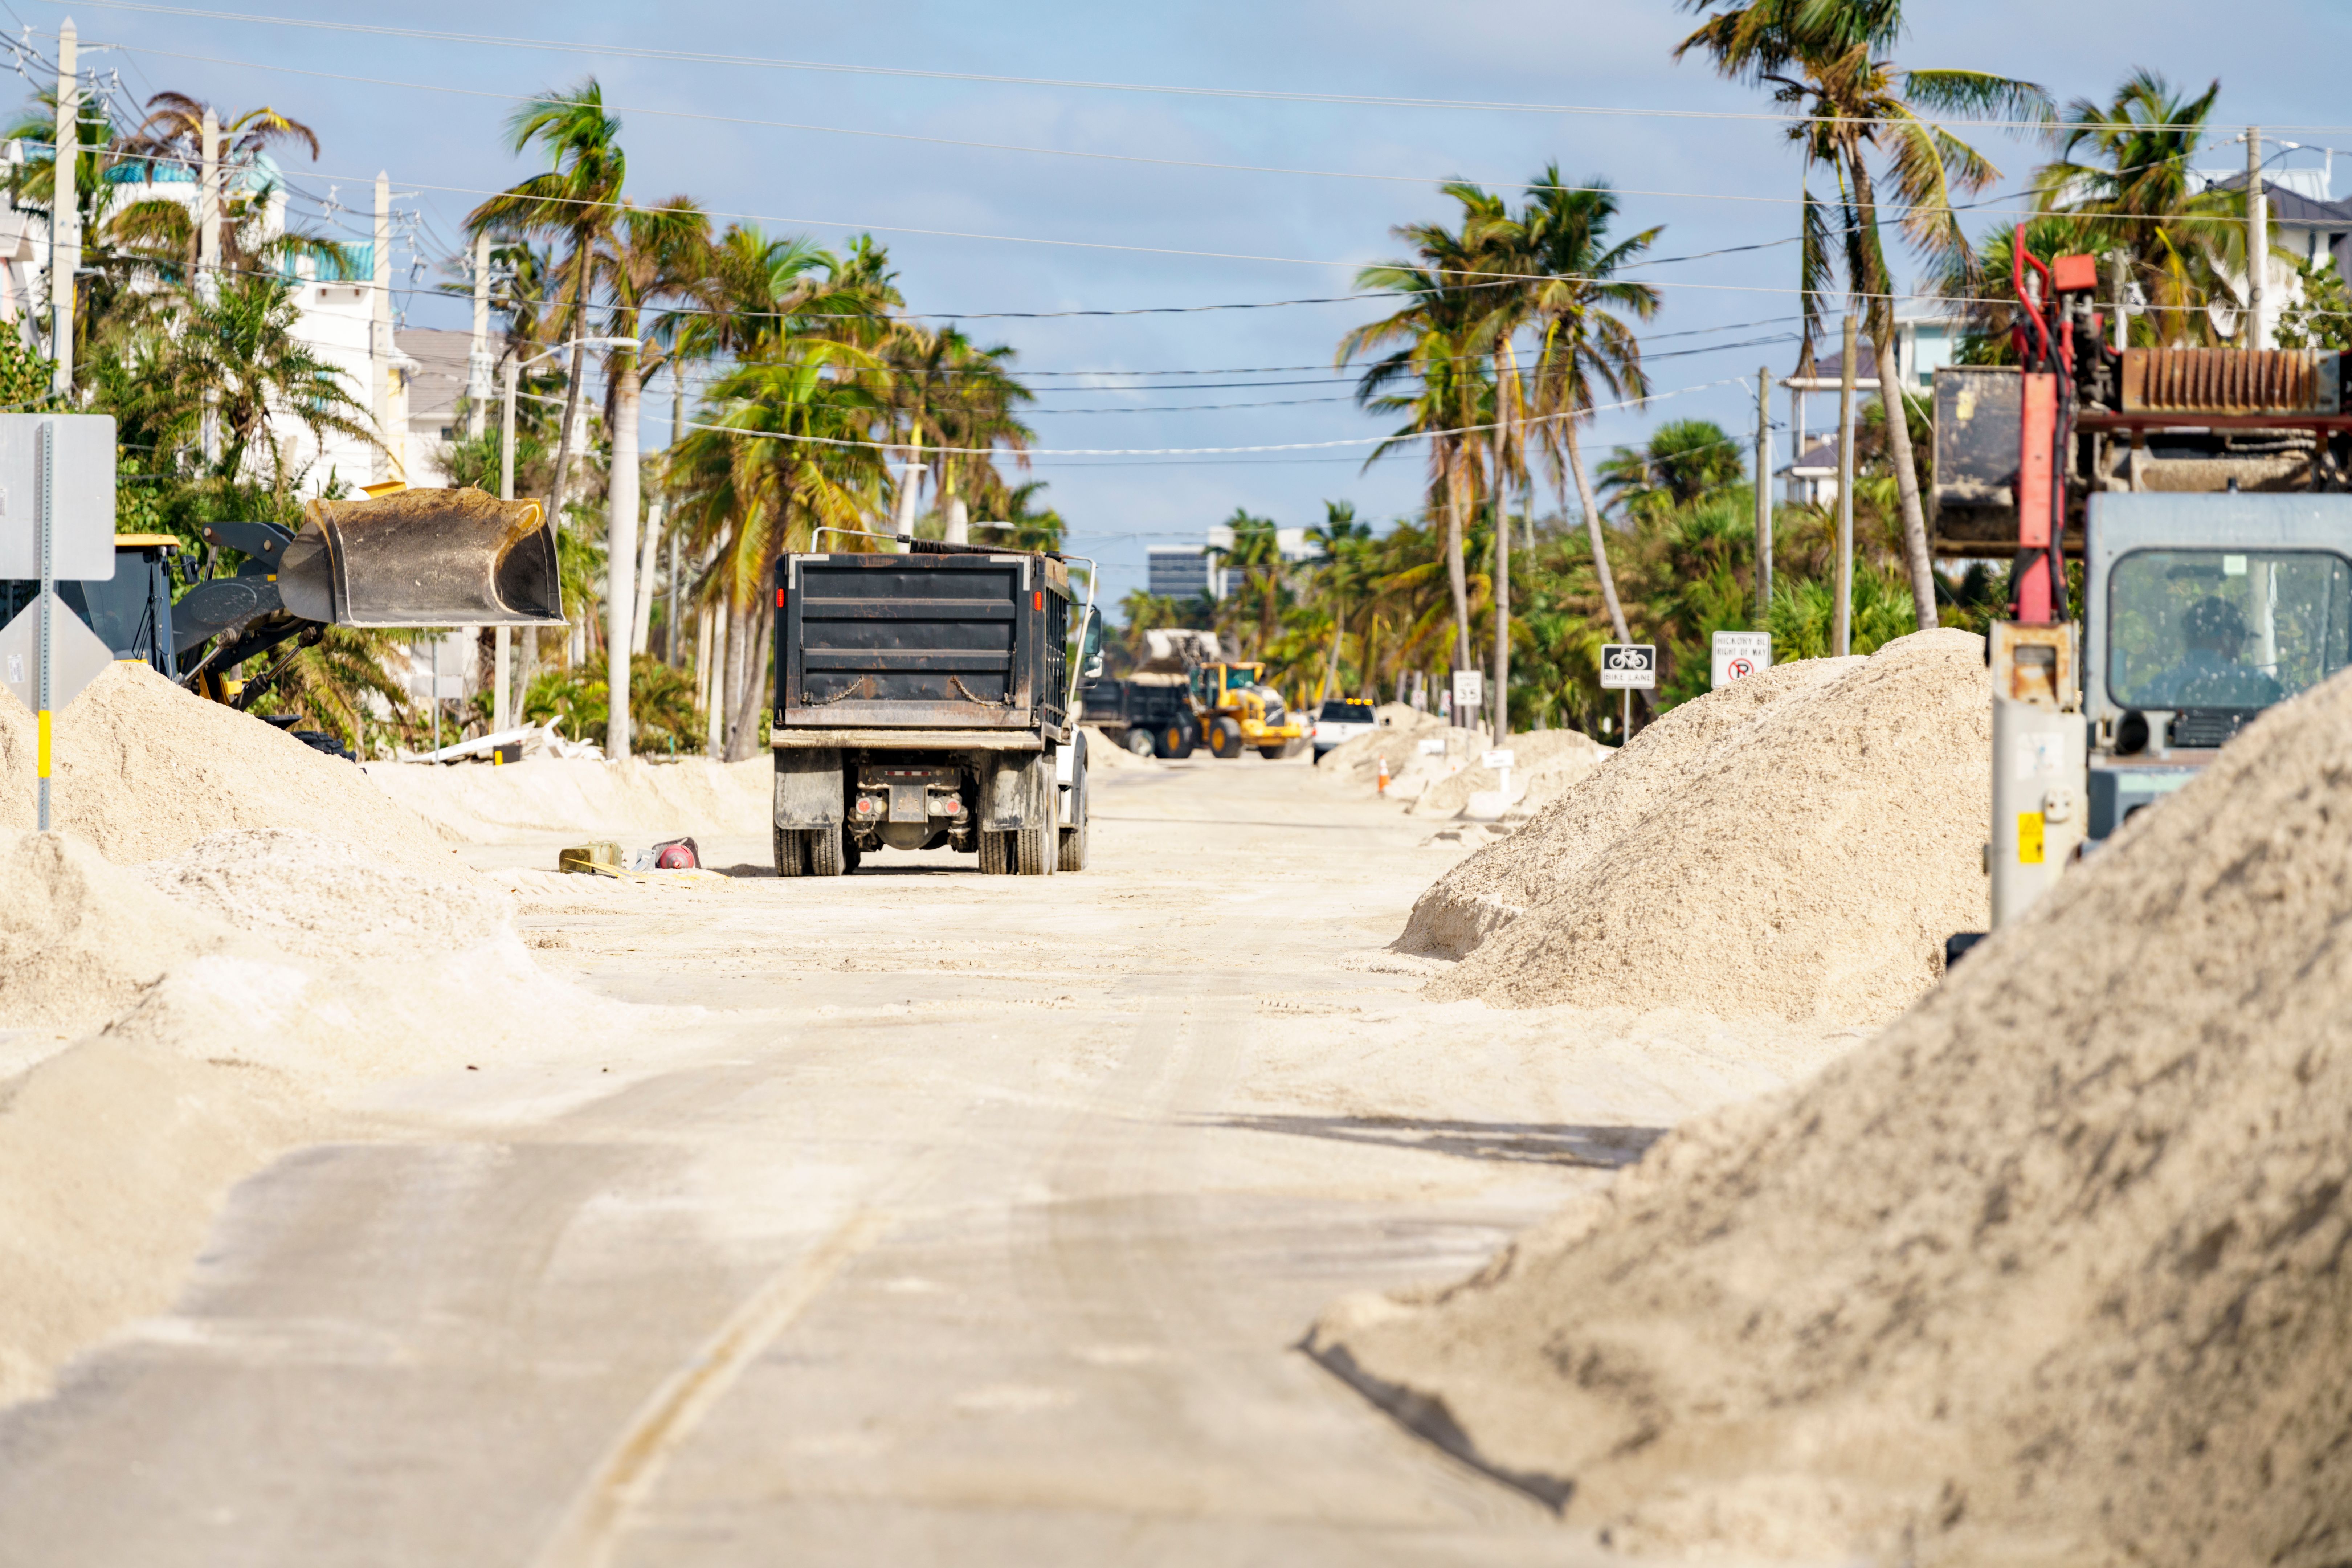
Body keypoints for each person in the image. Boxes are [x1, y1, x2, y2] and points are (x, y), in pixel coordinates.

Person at [2147, 596, 2284, 709]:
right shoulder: (2259, 686)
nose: (2240, 649)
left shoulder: (2157, 689)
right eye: (2241, 640)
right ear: (2227, 639)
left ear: (2189, 639)